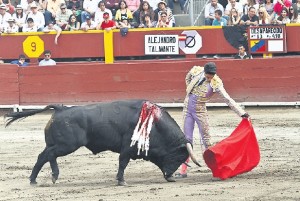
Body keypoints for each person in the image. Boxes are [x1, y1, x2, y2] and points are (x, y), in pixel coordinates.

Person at [175, 62, 249, 178]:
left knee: (206, 140)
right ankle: (183, 170)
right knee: (186, 139)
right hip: (187, 110)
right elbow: (188, 77)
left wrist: (242, 113)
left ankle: (215, 169)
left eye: (211, 77)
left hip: (200, 111)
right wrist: (189, 89)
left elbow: (227, 99)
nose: (209, 79)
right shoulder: (196, 71)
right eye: (207, 76)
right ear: (204, 72)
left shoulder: (216, 83)